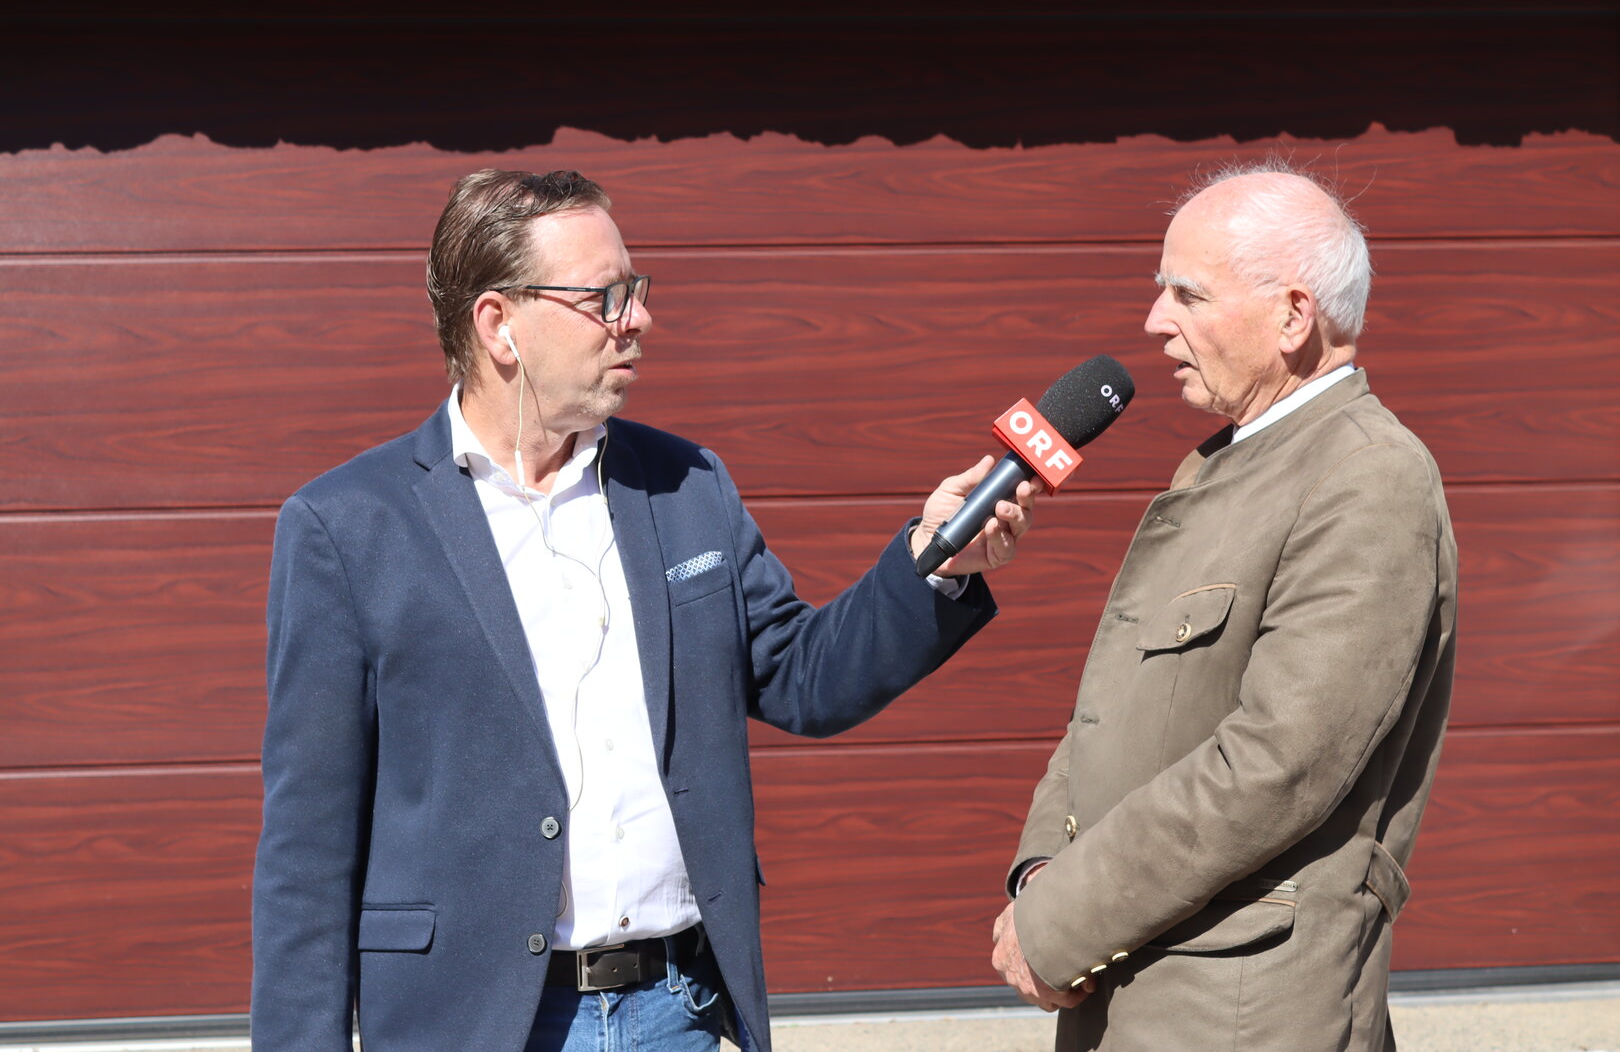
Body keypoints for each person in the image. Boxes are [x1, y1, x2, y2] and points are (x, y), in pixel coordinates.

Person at [252, 168, 1039, 1052]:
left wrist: (932, 564)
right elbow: (307, 847)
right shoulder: (349, 525)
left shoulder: (682, 484)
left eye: (636, 290)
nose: (638, 319)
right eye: (605, 298)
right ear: (498, 323)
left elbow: (802, 675)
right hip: (476, 1023)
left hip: (675, 1010)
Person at [991, 163, 1457, 1051]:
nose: (1154, 320)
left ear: (1293, 316)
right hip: (1130, 980)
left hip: (1241, 1013)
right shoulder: (1229, 464)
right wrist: (1046, 869)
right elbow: (1112, 714)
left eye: (1187, 294)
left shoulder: (1367, 477)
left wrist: (1063, 918)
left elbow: (1277, 765)